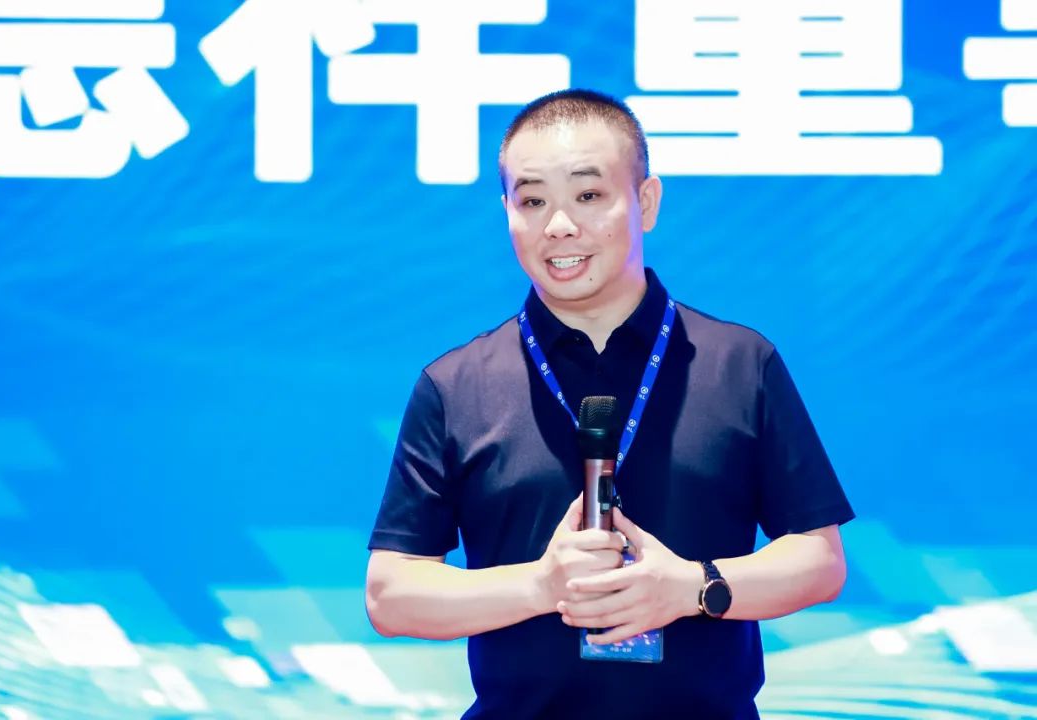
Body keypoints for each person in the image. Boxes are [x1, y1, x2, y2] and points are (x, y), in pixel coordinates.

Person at [365, 89, 855, 720]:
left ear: (645, 202)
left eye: (588, 195)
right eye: (532, 200)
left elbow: (819, 559)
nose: (558, 225)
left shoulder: (739, 363)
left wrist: (690, 587)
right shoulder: (456, 384)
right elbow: (391, 594)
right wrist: (541, 586)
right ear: (506, 212)